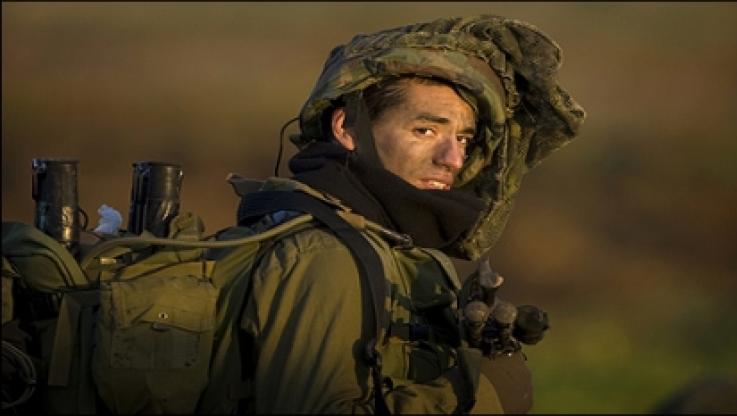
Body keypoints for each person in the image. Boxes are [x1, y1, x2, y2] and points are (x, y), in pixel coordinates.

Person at [230, 15, 586, 414]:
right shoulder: (325, 257)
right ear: (347, 128)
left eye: (463, 138)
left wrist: (467, 352)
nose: (453, 159)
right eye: (425, 131)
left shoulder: (388, 246)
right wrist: (481, 394)